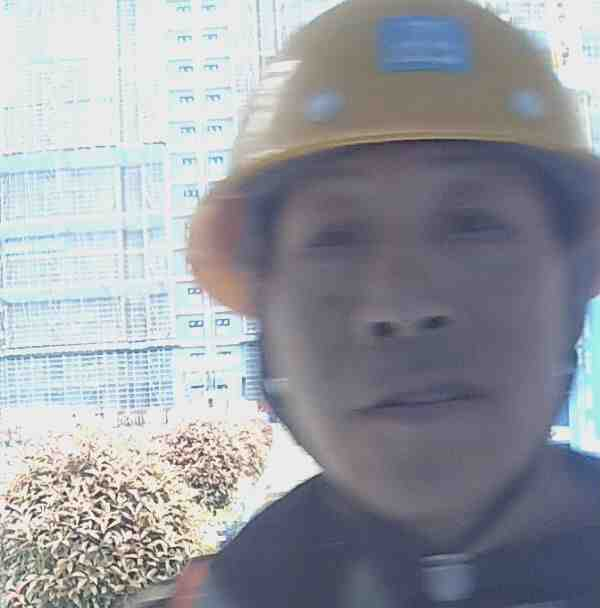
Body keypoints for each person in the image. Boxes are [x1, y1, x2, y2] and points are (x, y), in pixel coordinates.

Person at [173, 0, 600, 606]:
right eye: (337, 237)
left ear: (570, 285)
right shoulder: (244, 588)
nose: (403, 304)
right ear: (269, 314)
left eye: (472, 224)